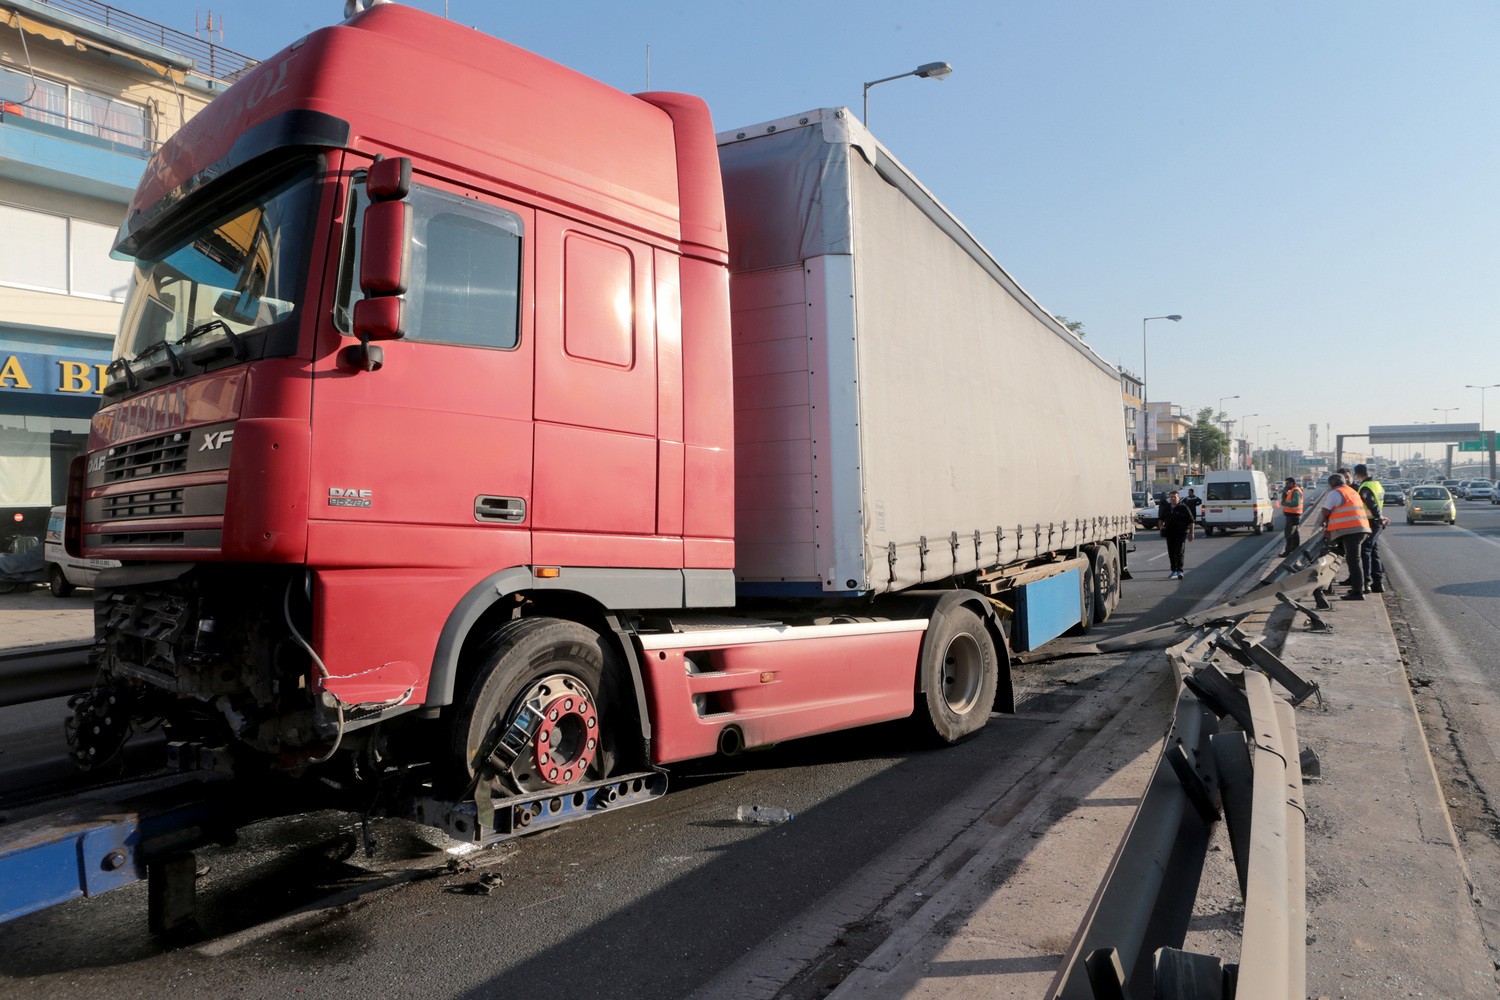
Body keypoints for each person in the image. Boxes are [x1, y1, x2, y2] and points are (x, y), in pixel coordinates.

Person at [1310, 472, 1370, 600]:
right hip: (1360, 528)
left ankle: (1358, 592)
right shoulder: (1351, 491)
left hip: (1351, 530)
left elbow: (1325, 511)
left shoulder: (1335, 492)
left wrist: (1320, 525)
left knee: (1354, 560)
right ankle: (1357, 588)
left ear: (1331, 484)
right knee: (1350, 557)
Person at [1353, 463, 1390, 592]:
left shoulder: (1365, 487)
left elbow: (1372, 505)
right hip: (1376, 522)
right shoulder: (1377, 484)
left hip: (1370, 522)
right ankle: (1378, 583)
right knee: (1373, 551)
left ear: (1357, 475)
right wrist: (1380, 517)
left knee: (1365, 551)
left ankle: (1366, 582)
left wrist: (1379, 517)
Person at [1159, 489, 1196, 580]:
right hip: (1169, 534)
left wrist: (1192, 533)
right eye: (1171, 497)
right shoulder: (1167, 508)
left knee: (1179, 552)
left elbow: (1191, 521)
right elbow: (1161, 518)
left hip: (1181, 534)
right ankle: (1173, 571)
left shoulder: (1183, 508)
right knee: (1171, 553)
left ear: (1178, 498)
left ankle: (1180, 571)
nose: (1172, 498)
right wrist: (1160, 527)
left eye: (1174, 497)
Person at [1280, 476, 1304, 556]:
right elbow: (1284, 499)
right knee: (1294, 534)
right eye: (1286, 483)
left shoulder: (1296, 491)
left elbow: (1295, 503)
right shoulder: (1291, 491)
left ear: (1293, 483)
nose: (1286, 485)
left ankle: (1288, 551)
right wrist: (1284, 492)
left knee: (1288, 533)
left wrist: (1285, 503)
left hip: (1293, 516)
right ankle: (1295, 550)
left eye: (1288, 483)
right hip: (1292, 515)